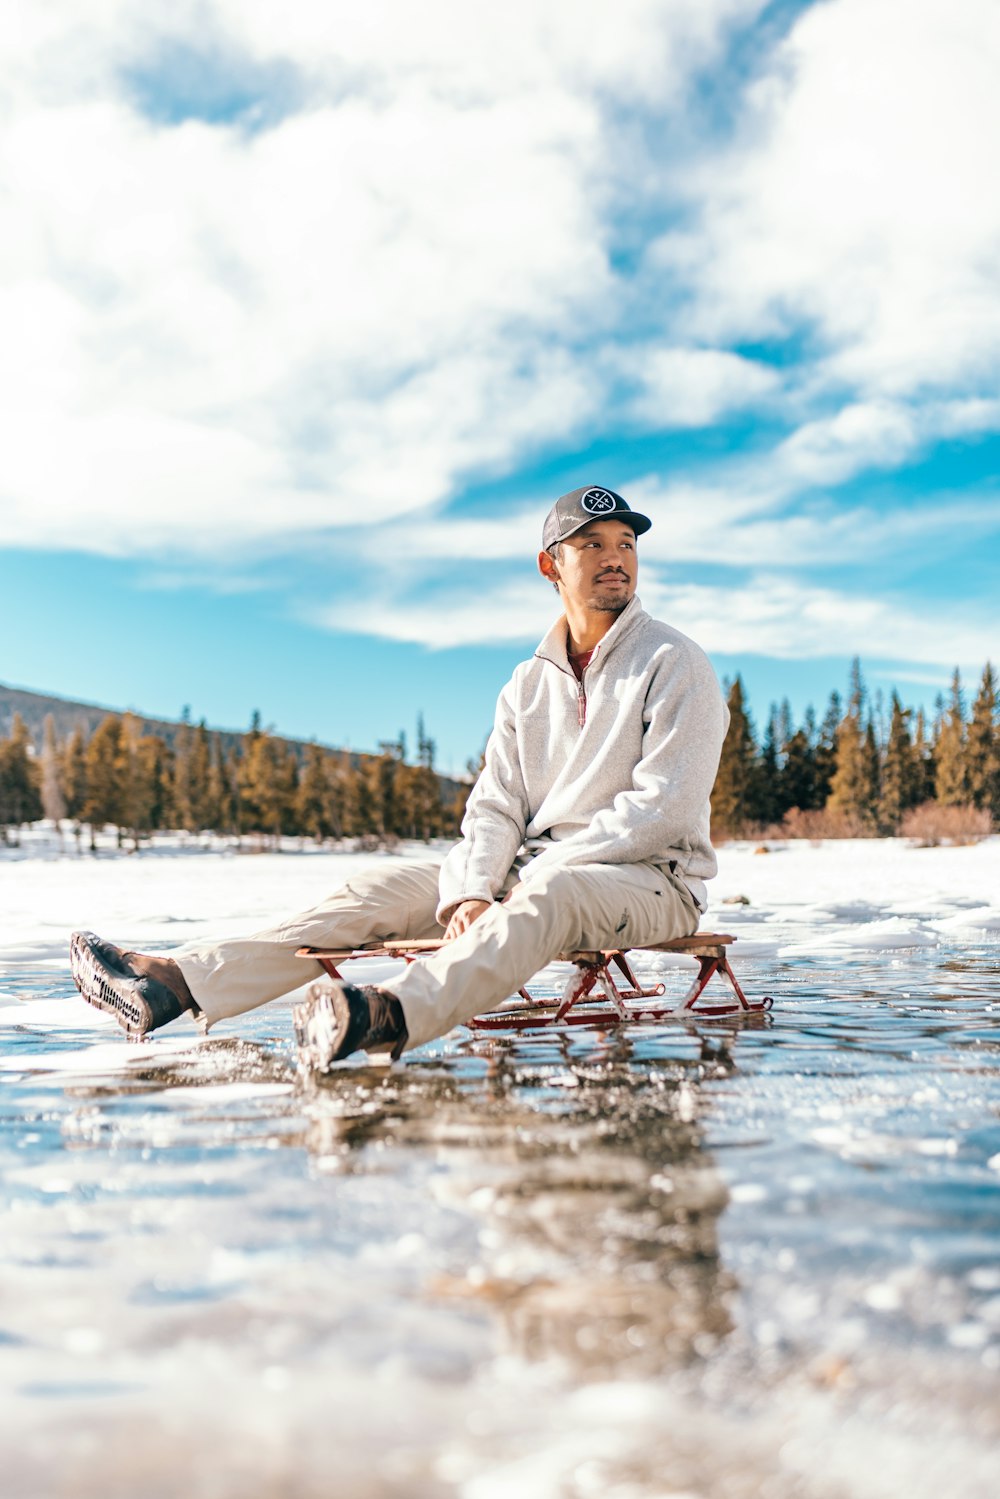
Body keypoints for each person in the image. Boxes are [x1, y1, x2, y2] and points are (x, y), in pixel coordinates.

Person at [70, 484, 729, 1068]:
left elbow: (663, 809)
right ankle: (178, 982)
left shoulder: (675, 662)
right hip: (537, 870)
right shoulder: (527, 685)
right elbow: (496, 806)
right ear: (550, 565)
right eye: (592, 544)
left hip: (650, 880)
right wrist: (473, 890)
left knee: (546, 896)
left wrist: (532, 875)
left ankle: (385, 1014)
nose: (616, 557)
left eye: (625, 543)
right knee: (382, 888)